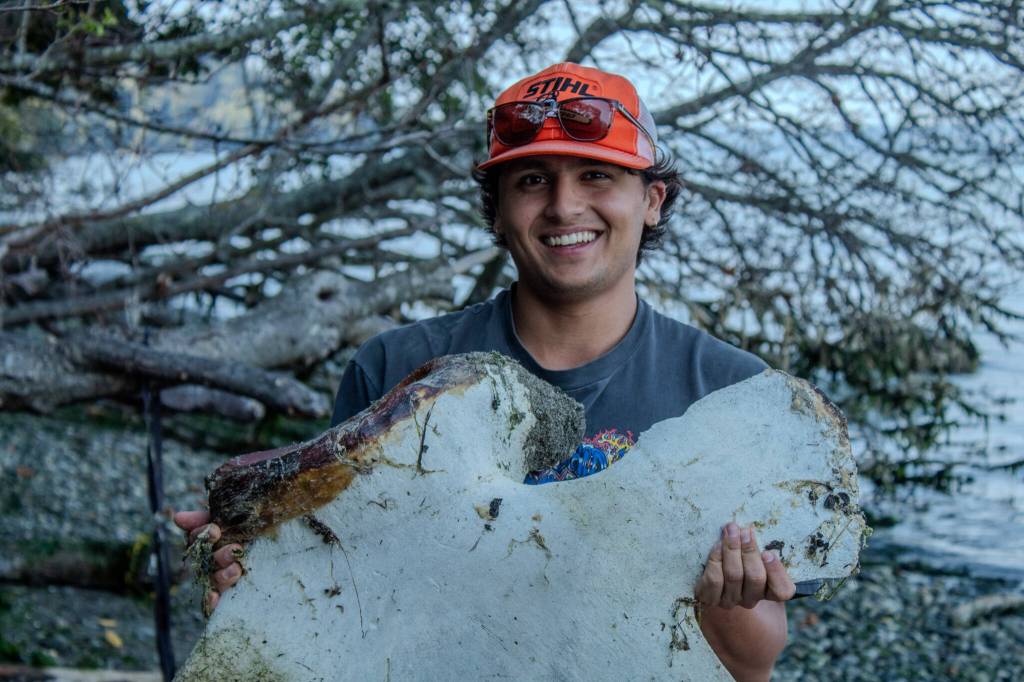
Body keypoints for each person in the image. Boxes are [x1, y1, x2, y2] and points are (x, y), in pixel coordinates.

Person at [175, 62, 796, 682]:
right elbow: (341, 605)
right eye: (531, 180)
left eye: (596, 175)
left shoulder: (729, 393)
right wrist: (249, 580)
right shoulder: (396, 372)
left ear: (652, 200)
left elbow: (753, 662)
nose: (564, 205)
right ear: (497, 211)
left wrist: (728, 600)